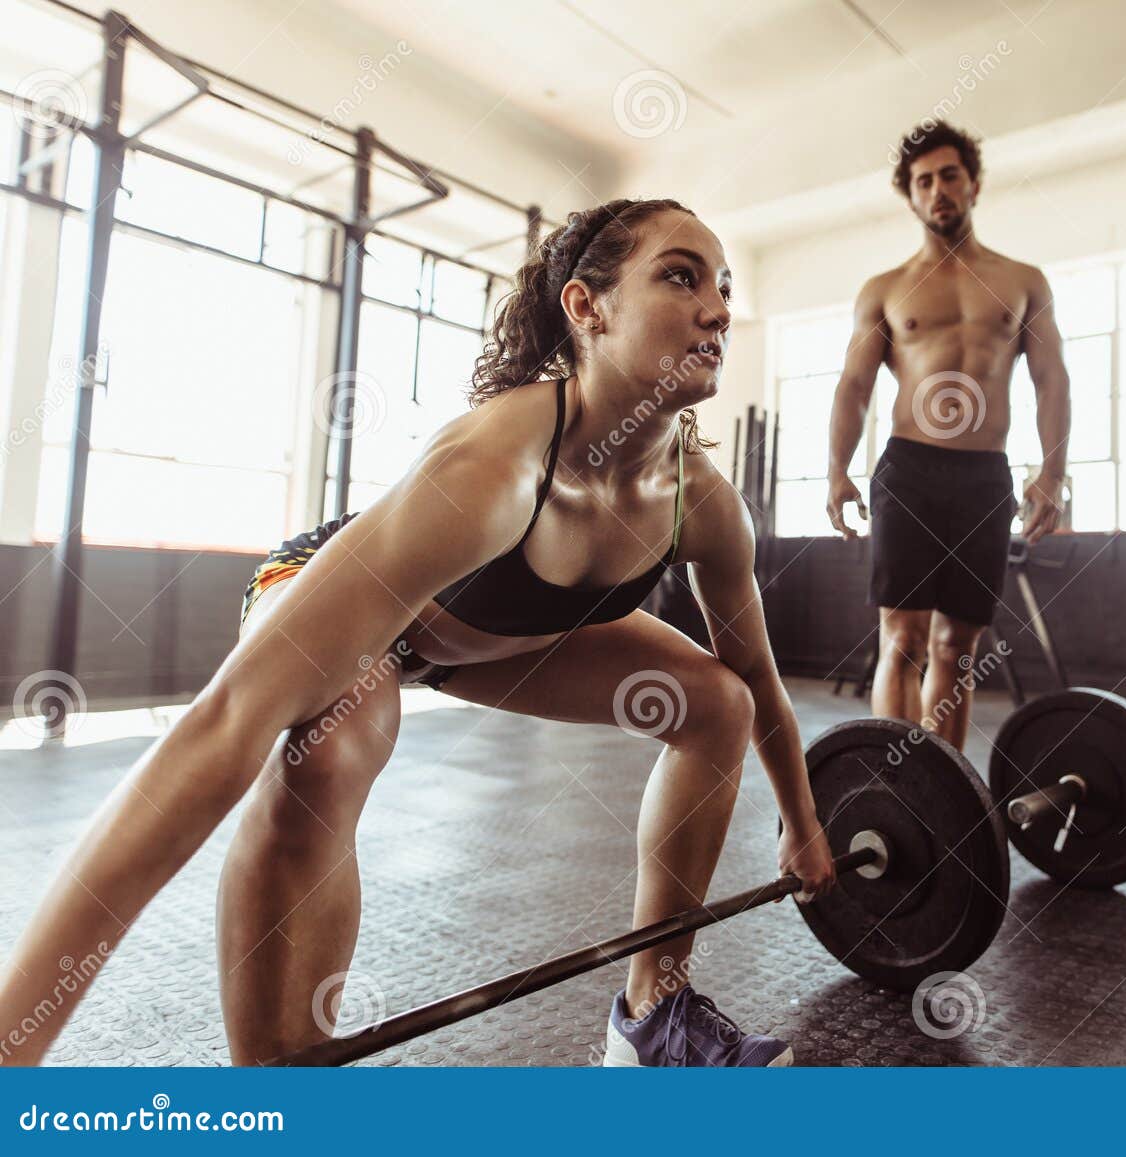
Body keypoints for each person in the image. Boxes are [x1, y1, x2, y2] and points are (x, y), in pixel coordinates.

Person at [0, 198, 837, 1068]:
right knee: (332, 747)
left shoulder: (702, 503)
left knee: (718, 703)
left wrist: (803, 822)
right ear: (587, 309)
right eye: (680, 275)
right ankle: (278, 1074)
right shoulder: (491, 469)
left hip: (491, 642)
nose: (718, 308)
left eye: (726, 288)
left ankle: (653, 1017)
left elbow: (760, 678)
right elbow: (223, 723)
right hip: (353, 606)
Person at [825, 122, 1071, 750]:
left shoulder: (1023, 281)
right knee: (903, 639)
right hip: (908, 470)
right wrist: (836, 469)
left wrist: (1051, 473)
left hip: (983, 476)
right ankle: (895, 786)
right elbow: (854, 385)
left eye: (949, 175)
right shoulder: (883, 289)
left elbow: (1051, 380)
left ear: (974, 184)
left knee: (957, 648)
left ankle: (944, 791)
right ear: (910, 196)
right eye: (923, 181)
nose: (938, 190)